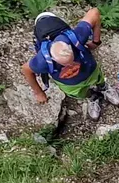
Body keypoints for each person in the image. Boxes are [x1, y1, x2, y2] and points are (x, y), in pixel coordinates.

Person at [21, 9, 105, 137]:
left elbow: (95, 12)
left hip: (89, 70)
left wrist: (95, 41)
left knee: (98, 78)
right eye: (66, 64)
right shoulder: (42, 60)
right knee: (79, 93)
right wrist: (38, 92)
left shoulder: (75, 37)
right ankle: (92, 97)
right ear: (53, 58)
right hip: (70, 83)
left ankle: (103, 88)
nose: (71, 66)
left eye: (72, 60)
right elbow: (26, 69)